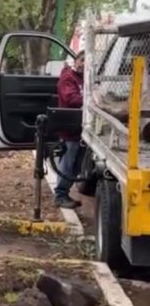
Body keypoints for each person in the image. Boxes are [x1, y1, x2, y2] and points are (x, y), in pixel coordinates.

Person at [54, 50, 86, 209]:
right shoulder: (67, 78)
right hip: (69, 129)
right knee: (67, 163)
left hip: (80, 129)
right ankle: (60, 195)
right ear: (76, 61)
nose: (84, 64)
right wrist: (91, 98)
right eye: (82, 60)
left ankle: (65, 193)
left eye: (87, 61)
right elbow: (71, 99)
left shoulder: (84, 79)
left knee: (75, 166)